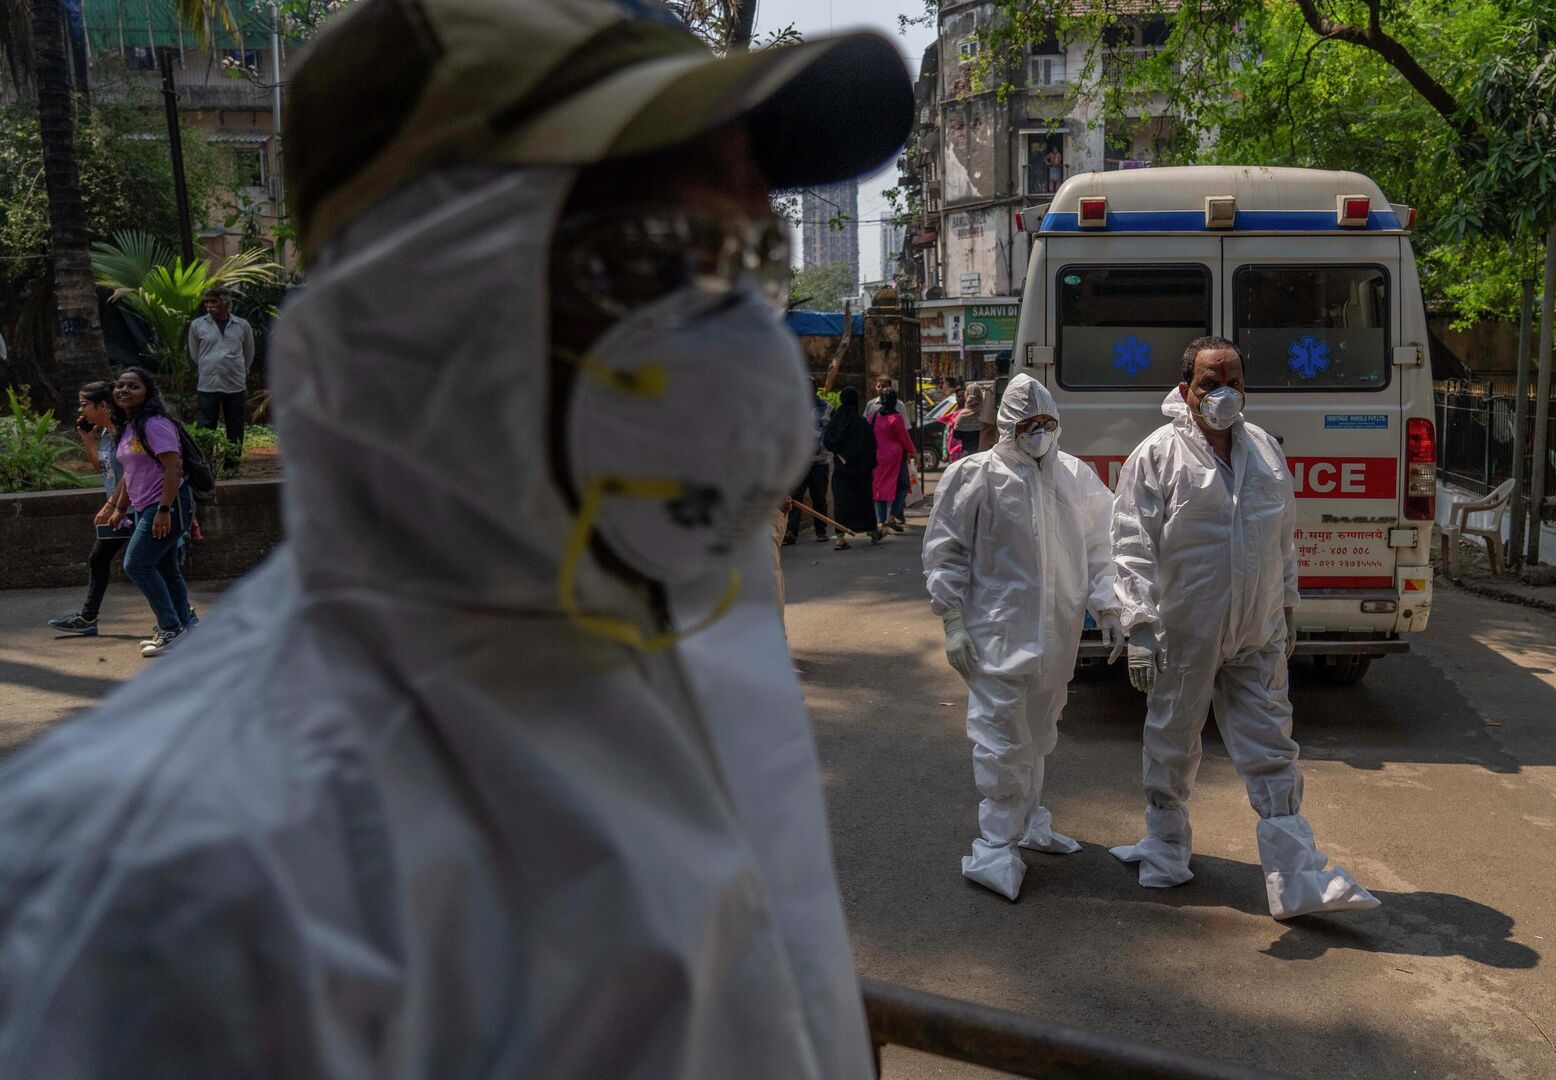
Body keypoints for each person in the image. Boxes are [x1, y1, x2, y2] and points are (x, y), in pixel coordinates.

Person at [0, 1, 911, 1075]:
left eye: (747, 261)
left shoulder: (680, 639)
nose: (739, 332)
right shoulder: (180, 903)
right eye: (656, 258)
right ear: (412, 305)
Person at [1109, 336, 1379, 920]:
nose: (1223, 394)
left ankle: (1296, 879)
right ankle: (1165, 846)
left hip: (1256, 628)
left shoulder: (1263, 450)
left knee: (1272, 746)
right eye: (1210, 384)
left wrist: (1286, 606)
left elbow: (1282, 536)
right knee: (1173, 737)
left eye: (1233, 382)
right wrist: (1141, 626)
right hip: (1187, 629)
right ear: (1185, 390)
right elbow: (1132, 545)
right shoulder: (1156, 455)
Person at [923, 374, 1123, 900]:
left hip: (1057, 638)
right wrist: (952, 620)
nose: (1038, 432)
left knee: (1038, 733)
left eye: (1046, 422)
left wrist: (1108, 605)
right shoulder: (975, 476)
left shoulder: (1075, 477)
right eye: (1028, 423)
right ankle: (995, 842)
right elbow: (945, 553)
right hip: (995, 636)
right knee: (1000, 740)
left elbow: (1102, 546)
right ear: (1009, 425)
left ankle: (1029, 821)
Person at [101, 366, 196, 658]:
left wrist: (164, 510)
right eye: (120, 385)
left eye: (133, 386)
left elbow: (173, 467)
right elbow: (130, 474)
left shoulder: (155, 424)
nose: (124, 390)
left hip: (166, 504)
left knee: (137, 564)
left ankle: (170, 627)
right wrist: (119, 507)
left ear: (148, 392)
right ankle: (184, 628)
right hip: (145, 506)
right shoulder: (130, 425)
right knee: (167, 569)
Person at [46, 382, 129, 636]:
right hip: (118, 511)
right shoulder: (105, 433)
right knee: (102, 559)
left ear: (103, 405)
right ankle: (88, 617)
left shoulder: (124, 433)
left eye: (84, 405)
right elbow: (101, 468)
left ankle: (179, 617)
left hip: (133, 509)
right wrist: (87, 440)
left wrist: (113, 505)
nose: (81, 411)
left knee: (146, 565)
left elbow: (132, 474)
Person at [187, 286, 254, 461]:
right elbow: (195, 354)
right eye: (206, 302)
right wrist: (209, 365)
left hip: (235, 383)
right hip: (208, 383)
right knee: (205, 426)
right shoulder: (197, 325)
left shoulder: (242, 325)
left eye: (213, 301)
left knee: (235, 425)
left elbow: (249, 353)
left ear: (225, 303)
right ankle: (205, 464)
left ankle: (232, 464)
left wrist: (240, 370)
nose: (209, 305)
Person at [824, 385, 886, 548]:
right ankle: (873, 532)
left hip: (842, 470)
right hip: (860, 471)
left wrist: (840, 452)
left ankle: (840, 538)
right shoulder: (861, 423)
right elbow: (871, 446)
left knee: (842, 503)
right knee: (864, 502)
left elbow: (828, 442)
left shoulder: (835, 422)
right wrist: (870, 465)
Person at [785, 376, 833, 544]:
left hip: (819, 462)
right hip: (799, 463)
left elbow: (831, 432)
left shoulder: (826, 408)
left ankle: (821, 531)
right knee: (795, 498)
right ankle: (791, 531)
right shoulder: (793, 409)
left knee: (819, 498)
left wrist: (821, 447)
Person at [870, 386, 917, 532]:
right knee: (903, 485)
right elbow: (905, 439)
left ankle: (882, 521)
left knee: (880, 489)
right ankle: (891, 517)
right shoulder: (895, 418)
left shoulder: (874, 416)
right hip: (896, 458)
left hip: (878, 457)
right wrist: (914, 453)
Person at [954, 379, 986, 456]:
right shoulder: (985, 413)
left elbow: (956, 435)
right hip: (982, 454)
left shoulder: (962, 415)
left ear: (966, 395)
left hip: (966, 454)